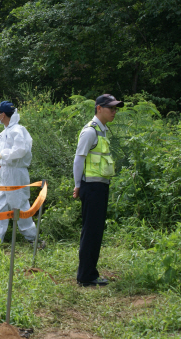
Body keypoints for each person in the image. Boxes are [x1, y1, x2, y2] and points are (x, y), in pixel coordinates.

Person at [73, 94, 123, 287]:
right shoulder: (90, 132)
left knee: (95, 231)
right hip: (91, 188)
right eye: (111, 108)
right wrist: (78, 185)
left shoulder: (102, 131)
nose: (114, 112)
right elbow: (78, 160)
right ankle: (86, 276)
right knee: (91, 232)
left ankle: (89, 273)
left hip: (99, 187)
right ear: (99, 108)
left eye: (115, 108)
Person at [0, 101, 38, 245]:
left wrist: (1, 155)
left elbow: (21, 150)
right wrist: (0, 163)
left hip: (16, 174)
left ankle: (32, 238)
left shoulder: (17, 130)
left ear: (3, 115)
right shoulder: (5, 131)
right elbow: (9, 154)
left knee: (20, 205)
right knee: (0, 204)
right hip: (7, 173)